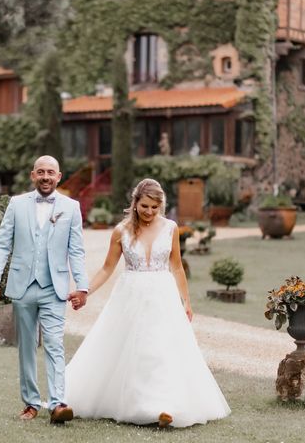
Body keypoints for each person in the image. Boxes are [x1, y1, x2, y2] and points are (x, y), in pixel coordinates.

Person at [65, 178, 230, 428]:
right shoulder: (121, 231)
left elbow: (176, 266)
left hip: (163, 295)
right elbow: (107, 268)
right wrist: (85, 291)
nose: (150, 212)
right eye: (145, 207)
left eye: (155, 207)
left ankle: (163, 406)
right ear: (135, 203)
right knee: (131, 349)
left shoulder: (171, 227)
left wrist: (186, 301)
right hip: (130, 296)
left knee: (161, 349)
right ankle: (137, 404)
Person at [0, 155, 89, 424]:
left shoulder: (71, 207)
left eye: (50, 172)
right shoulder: (17, 204)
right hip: (22, 287)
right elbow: (2, 244)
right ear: (33, 175)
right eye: (40, 172)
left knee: (55, 344)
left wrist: (83, 287)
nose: (45, 177)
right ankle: (31, 403)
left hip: (54, 288)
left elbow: (76, 250)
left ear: (59, 176)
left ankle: (57, 404)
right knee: (27, 347)